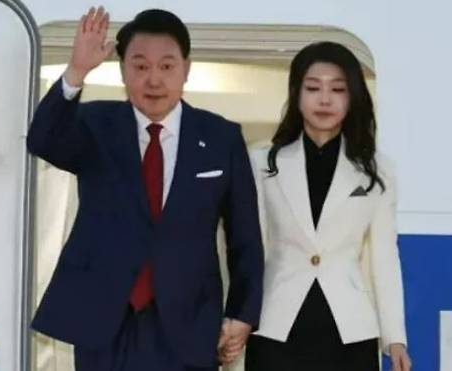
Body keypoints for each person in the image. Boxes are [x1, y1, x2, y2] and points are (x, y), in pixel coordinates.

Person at [27, 7, 264, 371]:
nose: (154, 79)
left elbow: (245, 237)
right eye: (140, 66)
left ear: (186, 67)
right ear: (123, 71)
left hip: (188, 324)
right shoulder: (95, 124)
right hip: (105, 321)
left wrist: (242, 313)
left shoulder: (221, 137)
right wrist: (77, 71)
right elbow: (43, 140)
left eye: (167, 66)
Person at [229, 41, 411, 371]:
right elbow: (248, 251)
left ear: (352, 96)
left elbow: (384, 258)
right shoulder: (261, 162)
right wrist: (235, 317)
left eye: (337, 89)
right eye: (313, 88)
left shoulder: (378, 170)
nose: (324, 99)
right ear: (297, 94)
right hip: (275, 326)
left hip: (350, 330)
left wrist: (394, 337)